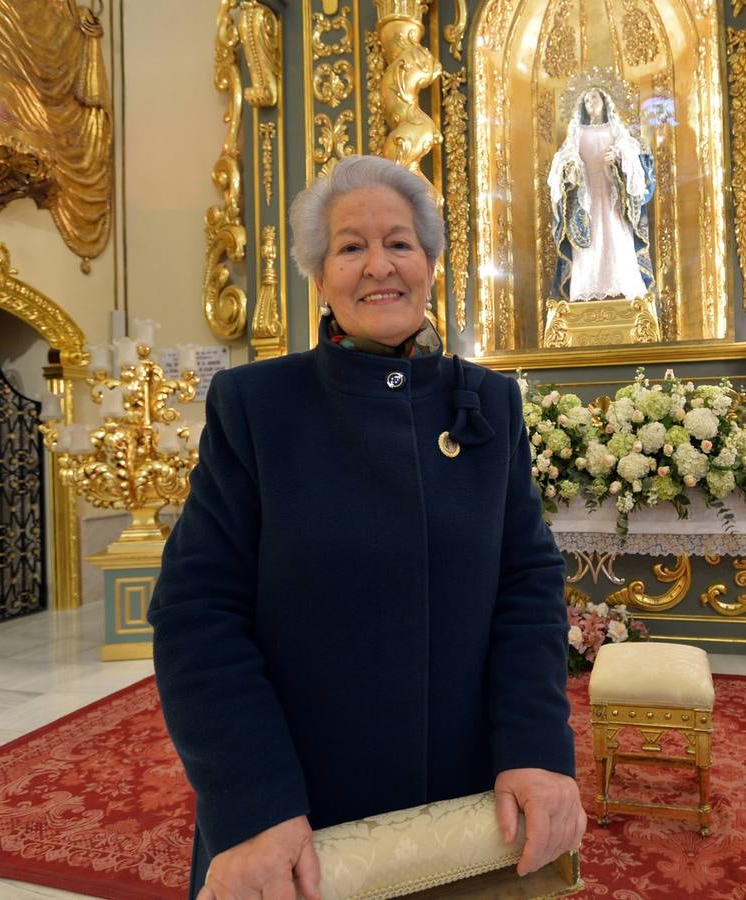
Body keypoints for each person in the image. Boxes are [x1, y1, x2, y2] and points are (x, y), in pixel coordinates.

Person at [148, 154, 585, 900]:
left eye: (400, 243)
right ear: (319, 275)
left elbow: (526, 584)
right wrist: (254, 803)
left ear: (430, 264)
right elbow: (197, 613)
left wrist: (537, 749)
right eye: (350, 247)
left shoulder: (489, 402)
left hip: (466, 803)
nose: (378, 265)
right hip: (304, 808)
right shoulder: (256, 407)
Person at [548, 86, 656, 303]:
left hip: (610, 197)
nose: (590, 102)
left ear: (605, 101)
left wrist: (618, 155)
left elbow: (631, 150)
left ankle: (619, 289)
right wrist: (570, 166)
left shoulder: (614, 130)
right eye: (586, 99)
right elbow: (565, 156)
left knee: (614, 238)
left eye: (594, 97)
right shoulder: (578, 132)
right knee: (590, 243)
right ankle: (587, 292)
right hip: (587, 201)